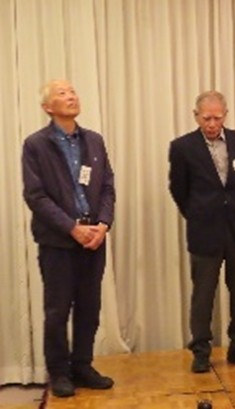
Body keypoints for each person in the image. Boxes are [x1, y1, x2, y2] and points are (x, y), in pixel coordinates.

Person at [22, 80, 115, 397]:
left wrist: (103, 224)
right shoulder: (36, 145)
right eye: (62, 93)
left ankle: (83, 366)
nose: (71, 96)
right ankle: (59, 372)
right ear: (47, 107)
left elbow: (107, 186)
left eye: (73, 91)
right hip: (58, 242)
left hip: (94, 239)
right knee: (58, 310)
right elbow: (36, 196)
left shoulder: (94, 141)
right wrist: (71, 228)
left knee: (90, 307)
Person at [168, 91, 235, 373]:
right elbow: (178, 189)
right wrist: (198, 213)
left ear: (225, 115)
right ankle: (201, 350)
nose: (211, 124)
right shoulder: (182, 147)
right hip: (204, 230)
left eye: (217, 118)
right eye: (206, 118)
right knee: (203, 294)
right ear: (196, 116)